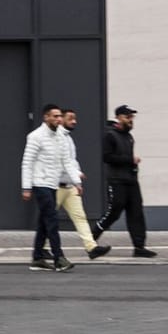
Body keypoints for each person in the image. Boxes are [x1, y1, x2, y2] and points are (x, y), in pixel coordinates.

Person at [20, 104, 75, 273]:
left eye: (60, 116)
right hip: (39, 183)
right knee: (52, 219)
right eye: (55, 116)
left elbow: (67, 161)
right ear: (46, 117)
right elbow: (27, 162)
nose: (59, 119)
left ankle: (37, 258)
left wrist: (76, 181)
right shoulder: (35, 136)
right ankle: (59, 258)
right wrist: (26, 187)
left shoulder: (60, 136)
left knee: (44, 221)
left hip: (53, 183)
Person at [96, 105, 154, 257]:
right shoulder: (110, 135)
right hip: (116, 181)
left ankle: (139, 247)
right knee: (113, 213)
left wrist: (132, 165)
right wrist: (130, 160)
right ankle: (91, 237)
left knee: (136, 213)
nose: (131, 120)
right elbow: (107, 157)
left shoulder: (128, 136)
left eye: (132, 117)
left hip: (131, 180)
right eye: (128, 117)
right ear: (120, 117)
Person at [59, 109, 109, 260]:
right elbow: (63, 162)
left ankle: (91, 247)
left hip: (69, 186)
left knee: (80, 217)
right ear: (61, 119)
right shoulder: (58, 137)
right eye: (70, 118)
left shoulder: (68, 138)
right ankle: (42, 249)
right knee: (47, 218)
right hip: (56, 186)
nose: (74, 121)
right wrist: (76, 177)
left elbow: (72, 161)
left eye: (75, 118)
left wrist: (77, 182)